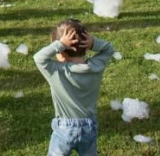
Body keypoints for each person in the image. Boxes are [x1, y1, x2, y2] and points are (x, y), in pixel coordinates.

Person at [33, 19, 115, 156]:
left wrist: (59, 44)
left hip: (64, 129)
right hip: (89, 126)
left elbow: (39, 58)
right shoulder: (96, 66)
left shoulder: (56, 71)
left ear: (61, 52)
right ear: (86, 48)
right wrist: (93, 42)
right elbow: (109, 49)